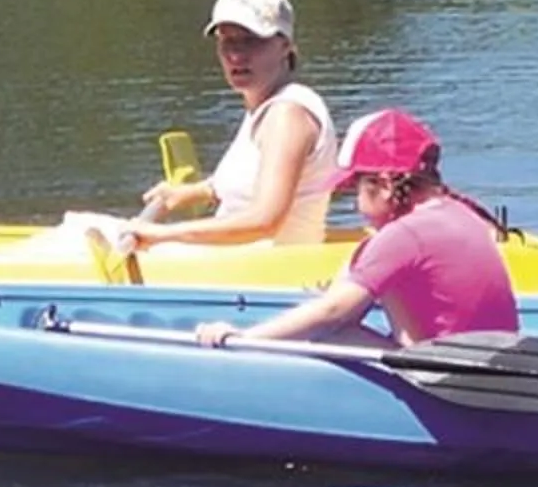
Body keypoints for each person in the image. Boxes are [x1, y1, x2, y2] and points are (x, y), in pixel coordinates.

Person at [195, 109, 519, 350]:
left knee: (327, 331)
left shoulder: (404, 235)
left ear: (384, 186)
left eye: (357, 189)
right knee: (366, 268)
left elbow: (333, 311)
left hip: (444, 377)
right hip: (481, 362)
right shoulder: (459, 213)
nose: (355, 206)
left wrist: (244, 338)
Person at [124, 0, 339, 248]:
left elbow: (265, 221)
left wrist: (160, 234)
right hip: (238, 261)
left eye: (251, 41)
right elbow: (246, 185)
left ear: (285, 45)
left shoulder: (287, 116)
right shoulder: (263, 106)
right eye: (227, 41)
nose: (236, 56)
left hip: (267, 268)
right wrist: (190, 193)